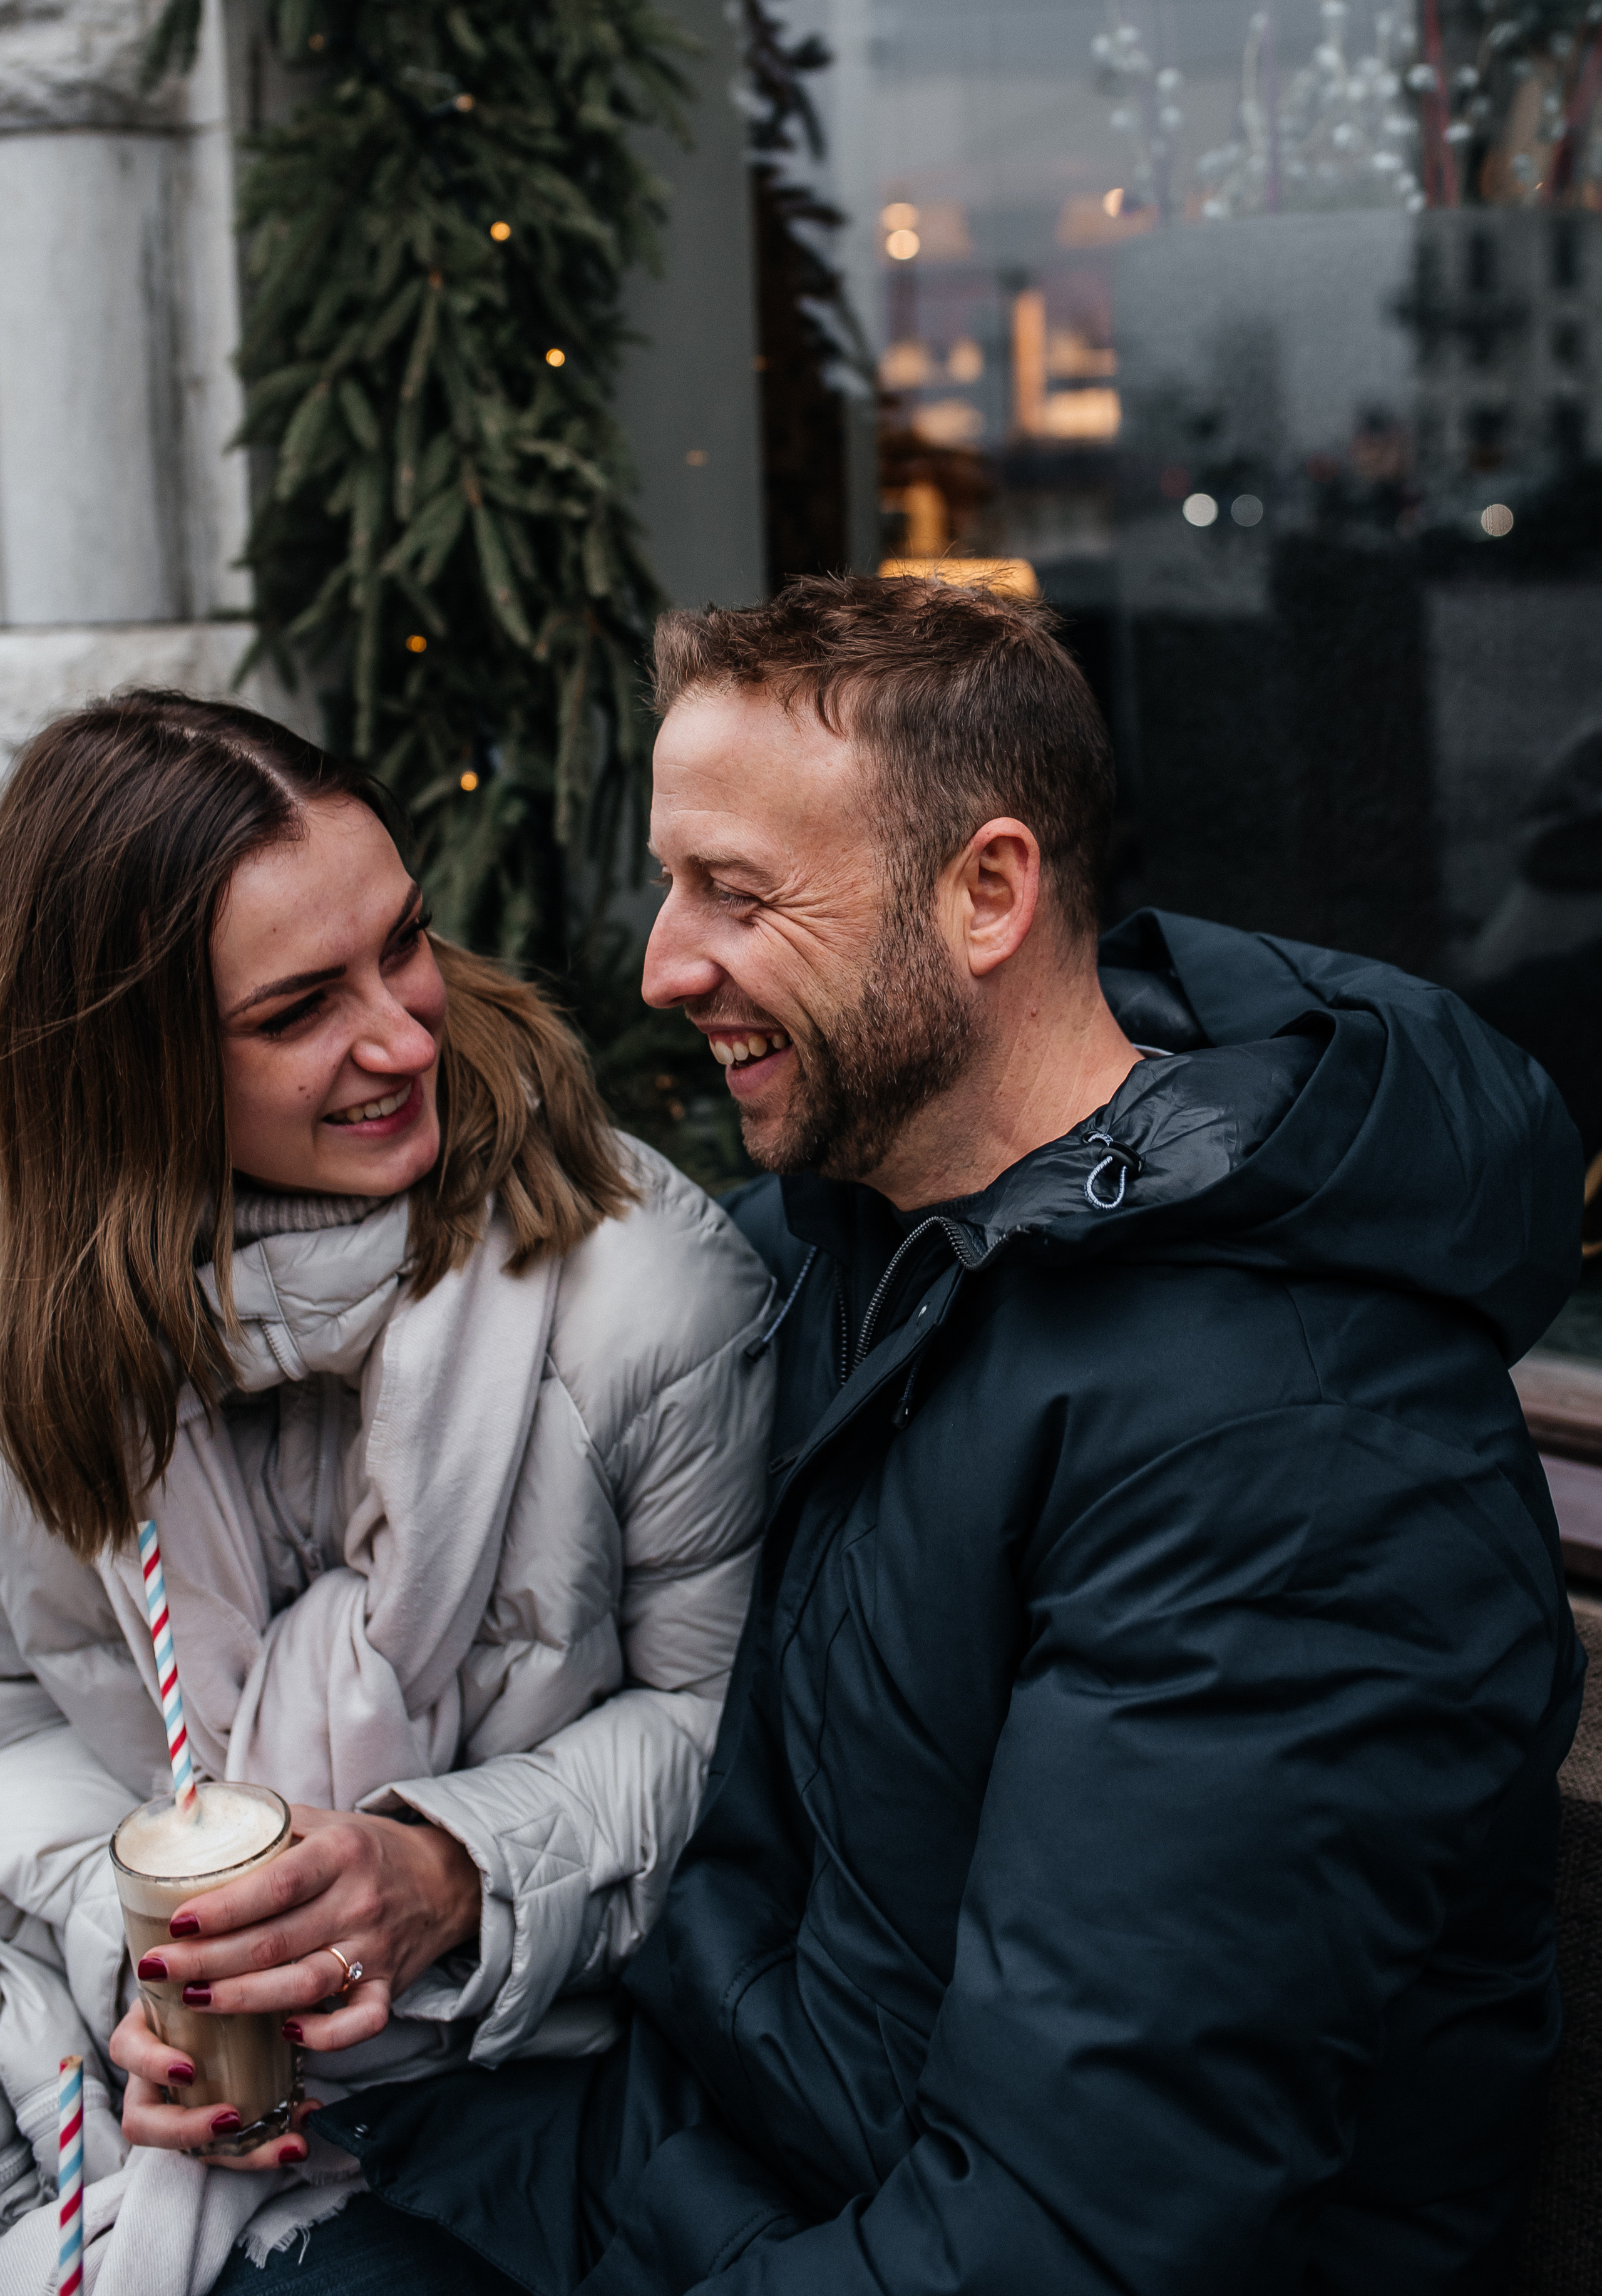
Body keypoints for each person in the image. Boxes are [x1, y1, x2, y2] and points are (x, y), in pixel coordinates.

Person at [264, 574, 1583, 2293]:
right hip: (690, 2160)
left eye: (736, 893)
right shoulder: (849, 1242)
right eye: (670, 882)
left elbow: (1059, 2232)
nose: (662, 967)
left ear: (986, 894)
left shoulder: (1289, 1459)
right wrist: (411, 1902)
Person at [0, 692, 776, 2296]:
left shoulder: (636, 1288)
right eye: (300, 1009)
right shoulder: (36, 1330)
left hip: (538, 2090)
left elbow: (747, 1727)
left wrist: (454, 1872)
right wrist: (145, 1956)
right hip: (119, 2085)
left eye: (403, 944)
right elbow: (16, 1725)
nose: (406, 1038)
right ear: (129, 1069)